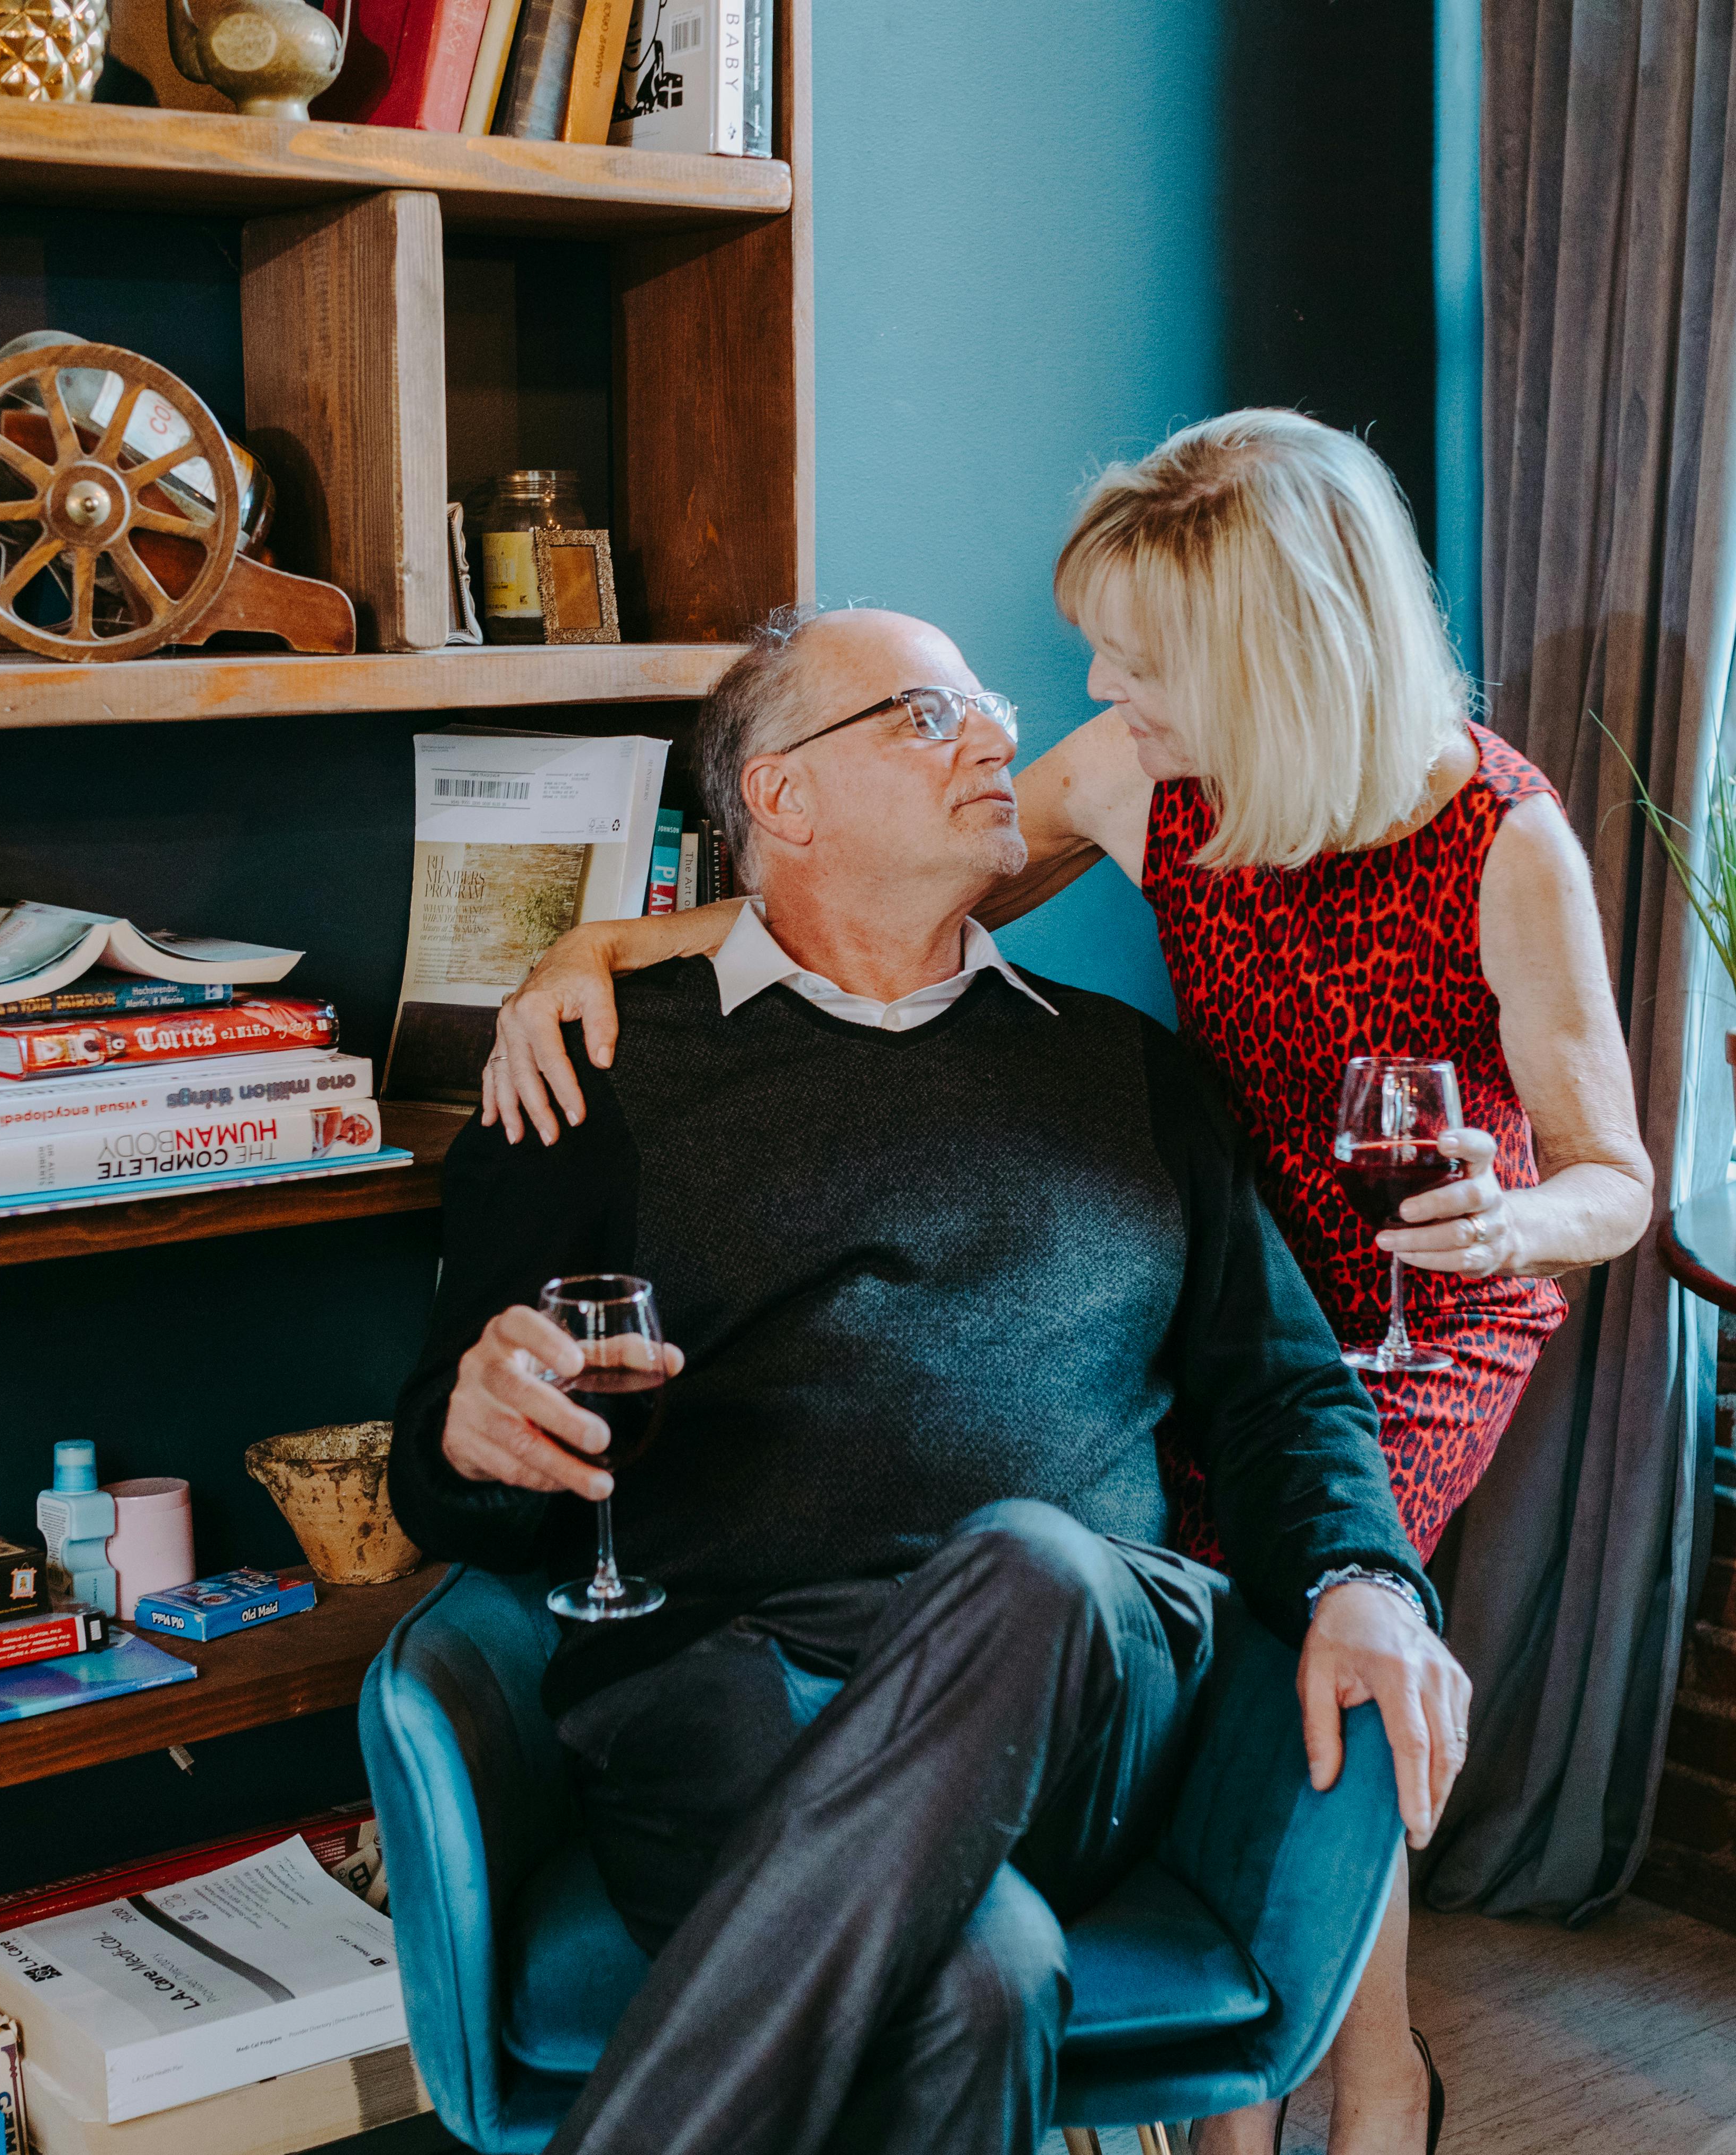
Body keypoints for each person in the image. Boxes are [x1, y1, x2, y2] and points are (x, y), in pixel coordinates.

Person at [482, 410, 1656, 2155]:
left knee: (1321, 1588)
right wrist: (595, 944)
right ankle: (1232, 2117)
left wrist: (1509, 1226)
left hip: (1428, 1285)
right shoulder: (1139, 773)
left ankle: (1377, 2069)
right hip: (1193, 1239)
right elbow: (873, 893)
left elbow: (1619, 1180)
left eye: (1139, 653)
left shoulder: (1503, 844)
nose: (1085, 689)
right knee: (1029, 1760)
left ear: (1269, 658)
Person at [389, 606, 1467, 2155]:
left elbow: (1289, 1392)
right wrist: (470, 1428)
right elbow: (434, 1475)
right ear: (783, 797)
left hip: (1088, 1679)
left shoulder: (1130, 1074)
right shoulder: (599, 1076)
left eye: (988, 707)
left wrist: (1367, 1575)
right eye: (925, 712)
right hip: (730, 1687)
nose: (996, 737)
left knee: (1028, 1558)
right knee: (984, 1977)